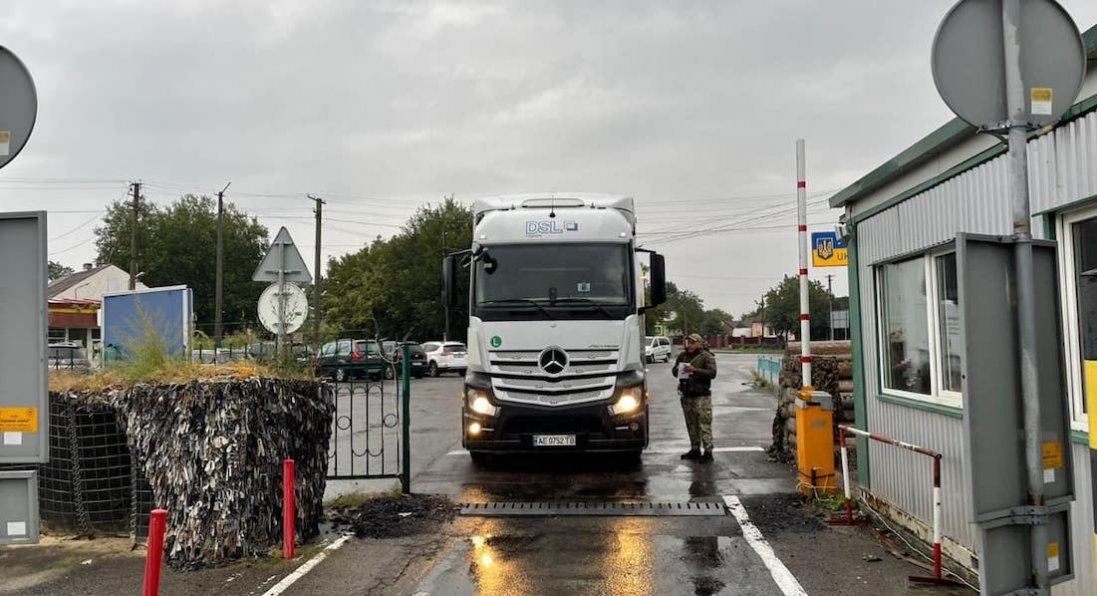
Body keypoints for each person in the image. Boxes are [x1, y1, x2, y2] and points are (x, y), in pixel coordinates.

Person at [671, 333, 717, 462]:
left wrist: (694, 370)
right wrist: (679, 370)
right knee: (691, 424)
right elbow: (674, 372)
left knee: (704, 424)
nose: (689, 345)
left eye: (692, 343)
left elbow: (712, 373)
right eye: (688, 342)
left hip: (701, 396)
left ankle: (708, 452)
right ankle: (695, 449)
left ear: (699, 343)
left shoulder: (706, 356)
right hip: (687, 395)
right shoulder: (682, 356)